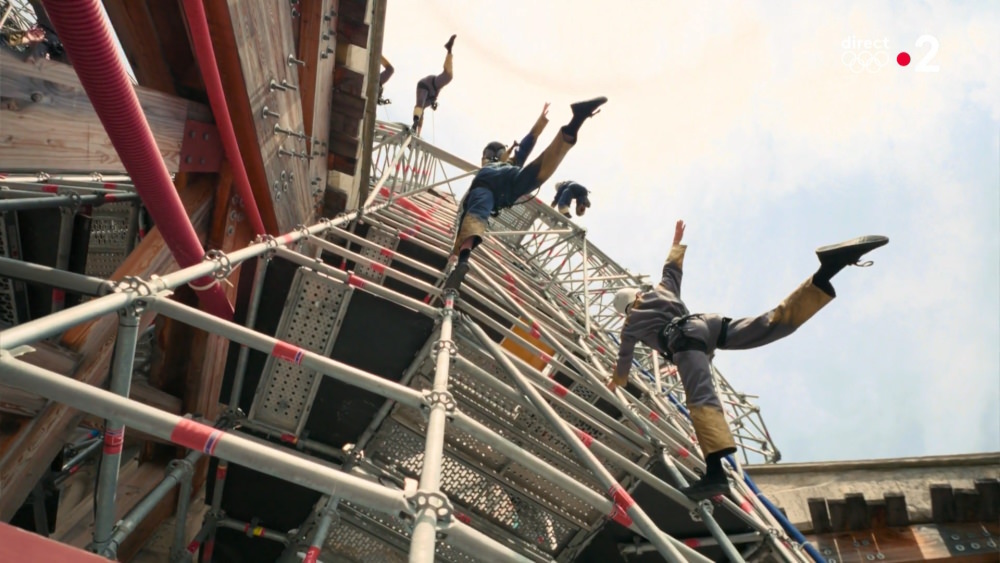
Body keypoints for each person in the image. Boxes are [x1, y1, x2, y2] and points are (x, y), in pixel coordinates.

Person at [608, 220, 888, 500]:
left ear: (625, 310)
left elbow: (624, 361)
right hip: (709, 326)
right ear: (637, 294)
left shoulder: (631, 324)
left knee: (701, 401)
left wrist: (615, 382)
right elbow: (672, 268)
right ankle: (829, 269)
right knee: (770, 323)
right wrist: (677, 241)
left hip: (684, 340)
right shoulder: (662, 289)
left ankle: (715, 474)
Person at [443, 96, 608, 290]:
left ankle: (463, 260)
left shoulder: (487, 166)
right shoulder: (510, 162)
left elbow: (468, 214)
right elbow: (527, 143)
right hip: (509, 185)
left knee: (474, 217)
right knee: (541, 170)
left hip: (486, 185)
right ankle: (577, 120)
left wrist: (455, 250)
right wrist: (540, 122)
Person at [412, 35, 457, 135]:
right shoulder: (434, 92)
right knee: (448, 76)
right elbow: (419, 105)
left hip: (430, 87)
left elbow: (420, 108)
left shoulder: (429, 101)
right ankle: (449, 50)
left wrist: (418, 132)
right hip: (429, 84)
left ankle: (416, 129)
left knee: (420, 107)